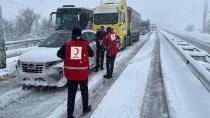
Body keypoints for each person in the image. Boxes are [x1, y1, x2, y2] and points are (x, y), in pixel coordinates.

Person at [57, 26, 94, 118]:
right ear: (80, 34)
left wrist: (67, 57)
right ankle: (85, 108)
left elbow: (59, 54)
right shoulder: (85, 44)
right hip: (82, 74)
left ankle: (70, 115)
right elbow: (92, 53)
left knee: (71, 95)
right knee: (84, 92)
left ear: (72, 34)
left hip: (71, 75)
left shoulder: (67, 44)